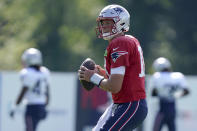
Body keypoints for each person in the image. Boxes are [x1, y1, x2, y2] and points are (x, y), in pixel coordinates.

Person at [78, 4, 148, 131]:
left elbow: (114, 87)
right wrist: (101, 73)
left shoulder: (120, 43)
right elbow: (121, 78)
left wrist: (92, 77)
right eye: (102, 22)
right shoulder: (124, 41)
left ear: (121, 23)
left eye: (108, 22)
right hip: (124, 104)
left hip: (130, 104)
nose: (103, 26)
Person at [10, 48, 50, 131]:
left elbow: (23, 92)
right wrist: (45, 106)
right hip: (41, 106)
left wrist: (14, 106)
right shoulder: (45, 72)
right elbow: (47, 92)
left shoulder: (27, 73)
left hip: (32, 107)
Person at [151, 57, 190, 131]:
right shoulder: (178, 76)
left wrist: (164, 92)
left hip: (162, 109)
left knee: (156, 129)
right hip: (172, 109)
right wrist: (175, 95)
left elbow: (153, 93)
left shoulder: (157, 76)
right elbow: (186, 91)